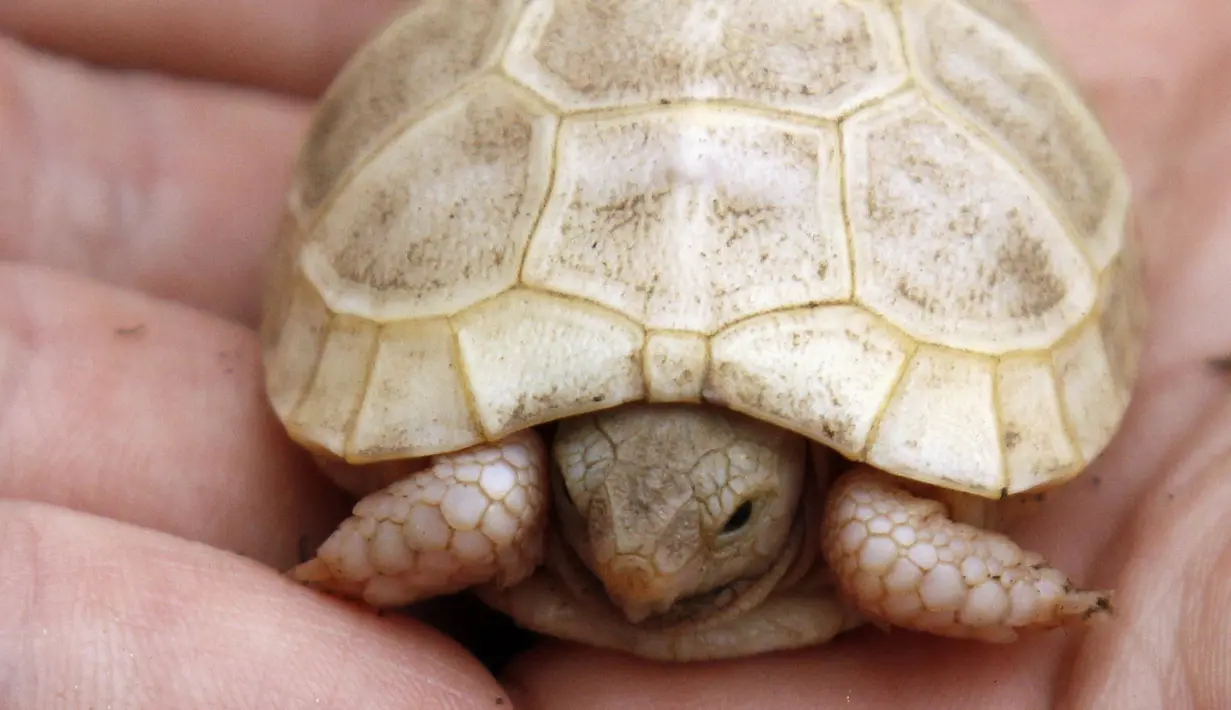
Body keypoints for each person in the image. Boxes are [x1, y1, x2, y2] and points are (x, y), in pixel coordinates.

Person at [0, 0, 1227, 707]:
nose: (639, 569)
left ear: (786, 491)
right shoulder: (515, 482)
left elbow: (879, 530)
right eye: (589, 505)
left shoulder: (854, 513)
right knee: (492, 493)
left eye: (734, 522)